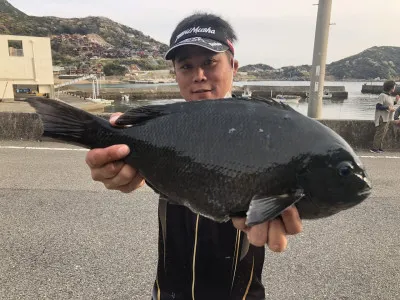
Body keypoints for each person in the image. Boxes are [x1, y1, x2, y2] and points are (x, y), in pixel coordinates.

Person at [85, 13, 303, 299]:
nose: (198, 76)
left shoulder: (263, 129)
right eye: (186, 66)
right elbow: (143, 171)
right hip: (168, 292)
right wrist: (123, 169)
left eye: (210, 62)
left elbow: (295, 174)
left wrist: (291, 202)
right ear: (175, 74)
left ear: (233, 66)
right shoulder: (165, 125)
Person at [370, 80, 399, 153]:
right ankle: (374, 148)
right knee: (379, 133)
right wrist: (387, 108)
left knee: (383, 133)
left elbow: (391, 105)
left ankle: (379, 148)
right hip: (382, 117)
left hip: (387, 118)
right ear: (391, 87)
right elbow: (378, 106)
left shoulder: (389, 95)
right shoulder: (382, 95)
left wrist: (396, 100)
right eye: (394, 86)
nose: (395, 87)